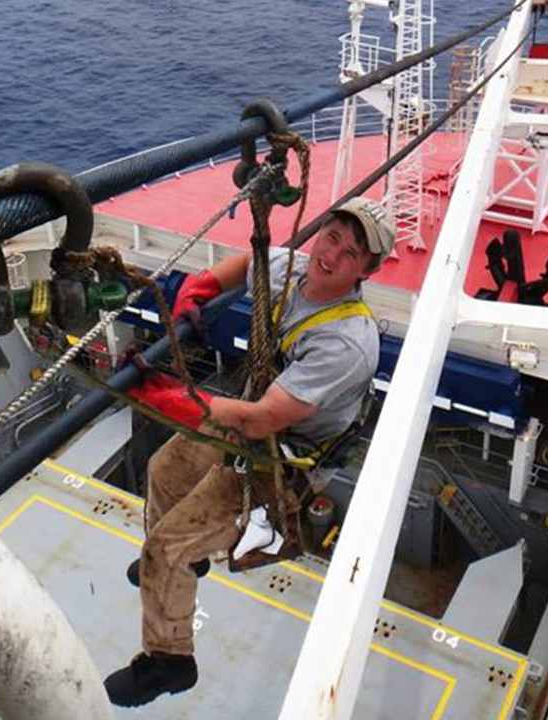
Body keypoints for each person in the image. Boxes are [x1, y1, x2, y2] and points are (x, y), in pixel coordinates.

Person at [103, 197, 396, 707]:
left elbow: (264, 419)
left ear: (366, 272)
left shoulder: (345, 342)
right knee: (163, 469)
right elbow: (250, 263)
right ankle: (178, 571)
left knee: (164, 548)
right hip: (256, 421)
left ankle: (170, 660)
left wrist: (167, 396)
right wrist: (204, 286)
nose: (330, 255)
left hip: (284, 459)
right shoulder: (295, 272)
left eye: (350, 254)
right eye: (331, 237)